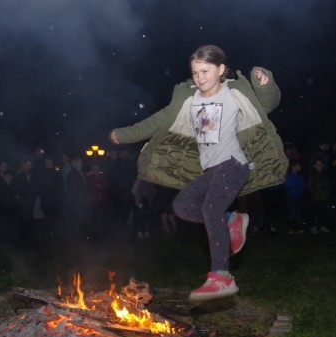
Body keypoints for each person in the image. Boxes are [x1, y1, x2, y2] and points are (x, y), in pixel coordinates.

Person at [110, 44, 285, 301]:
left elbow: (267, 103)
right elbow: (157, 121)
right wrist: (125, 134)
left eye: (205, 71)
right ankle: (231, 222)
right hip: (211, 170)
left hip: (234, 164)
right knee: (182, 205)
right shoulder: (188, 98)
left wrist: (265, 82)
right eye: (195, 73)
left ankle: (221, 276)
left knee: (210, 208)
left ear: (221, 69)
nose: (200, 77)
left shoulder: (233, 93)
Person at [307, 158, 331, 233]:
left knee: (323, 212)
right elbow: (309, 186)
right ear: (314, 165)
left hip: (324, 197)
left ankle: (322, 226)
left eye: (321, 164)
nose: (319, 166)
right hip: (315, 198)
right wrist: (314, 193)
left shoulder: (325, 174)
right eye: (318, 164)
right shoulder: (312, 175)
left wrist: (327, 193)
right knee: (314, 212)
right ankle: (313, 226)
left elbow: (328, 185)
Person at [284, 160, 305, 233]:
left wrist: (300, 192)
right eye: (298, 166)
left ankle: (297, 227)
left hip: (298, 196)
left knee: (298, 212)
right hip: (291, 196)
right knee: (292, 212)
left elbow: (302, 185)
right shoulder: (288, 175)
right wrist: (290, 192)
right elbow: (286, 185)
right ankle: (289, 227)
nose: (300, 167)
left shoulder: (300, 175)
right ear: (294, 167)